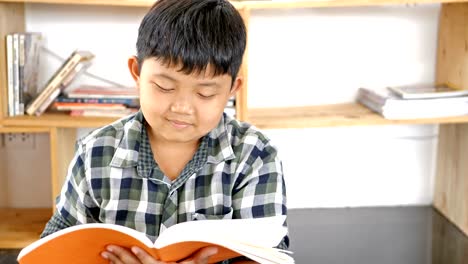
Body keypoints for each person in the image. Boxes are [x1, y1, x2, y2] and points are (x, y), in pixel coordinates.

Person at [41, 0, 289, 263]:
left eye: (205, 93)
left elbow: (269, 255)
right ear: (136, 73)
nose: (181, 107)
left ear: (231, 89)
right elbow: (56, 244)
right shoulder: (94, 154)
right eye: (164, 86)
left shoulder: (254, 156)